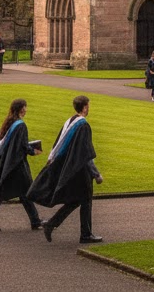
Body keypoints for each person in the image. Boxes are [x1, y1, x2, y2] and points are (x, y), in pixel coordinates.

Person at [30, 94, 104, 244]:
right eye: (88, 106)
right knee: (86, 200)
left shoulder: (70, 121)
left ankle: (52, 224)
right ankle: (85, 234)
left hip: (70, 167)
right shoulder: (83, 125)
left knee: (76, 200)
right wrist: (96, 174)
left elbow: (58, 144)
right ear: (84, 107)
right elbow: (85, 153)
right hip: (80, 169)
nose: (89, 108)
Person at [0, 97, 43, 232]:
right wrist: (34, 151)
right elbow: (23, 145)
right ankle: (35, 221)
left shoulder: (7, 123)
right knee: (24, 192)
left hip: (4, 163)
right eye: (25, 107)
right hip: (17, 165)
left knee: (3, 193)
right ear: (22, 109)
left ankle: (35, 220)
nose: (26, 110)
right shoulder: (20, 125)